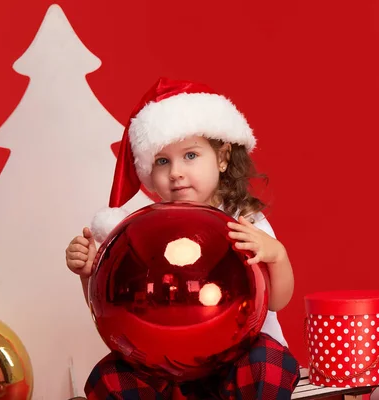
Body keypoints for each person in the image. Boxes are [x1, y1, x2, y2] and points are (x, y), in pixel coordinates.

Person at [65, 77, 299, 399]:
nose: (175, 172)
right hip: (165, 369)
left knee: (268, 361)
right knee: (109, 375)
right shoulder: (144, 234)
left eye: (190, 156)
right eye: (163, 161)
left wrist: (277, 256)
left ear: (222, 157)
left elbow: (276, 301)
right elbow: (109, 308)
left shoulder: (243, 220)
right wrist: (89, 273)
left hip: (238, 358)